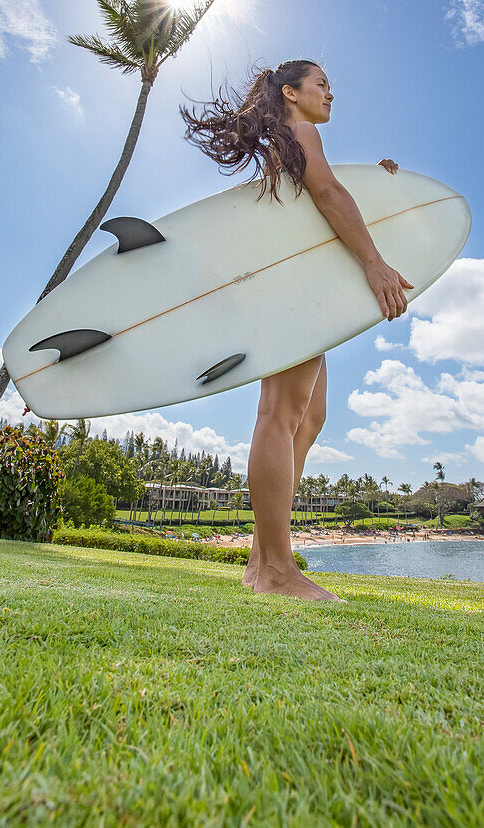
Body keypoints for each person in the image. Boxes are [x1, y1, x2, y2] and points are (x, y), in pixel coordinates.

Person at [180, 60, 412, 600]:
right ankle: (277, 572)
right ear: (291, 92)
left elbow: (325, 195)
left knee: (310, 418)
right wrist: (375, 264)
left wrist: (380, 188)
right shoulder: (300, 130)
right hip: (288, 289)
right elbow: (328, 197)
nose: (332, 92)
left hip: (296, 287)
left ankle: (262, 559)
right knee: (281, 414)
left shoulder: (292, 140)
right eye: (321, 84)